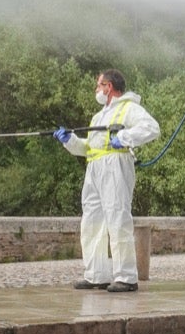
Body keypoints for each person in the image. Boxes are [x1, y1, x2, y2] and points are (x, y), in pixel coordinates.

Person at [54, 70, 160, 291]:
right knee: (91, 222)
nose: (96, 90)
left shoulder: (128, 108)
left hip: (115, 167)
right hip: (94, 169)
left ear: (108, 86)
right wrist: (70, 141)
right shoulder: (98, 116)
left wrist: (123, 138)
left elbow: (151, 128)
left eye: (98, 85)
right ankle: (96, 275)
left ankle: (126, 277)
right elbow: (89, 148)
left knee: (117, 218)